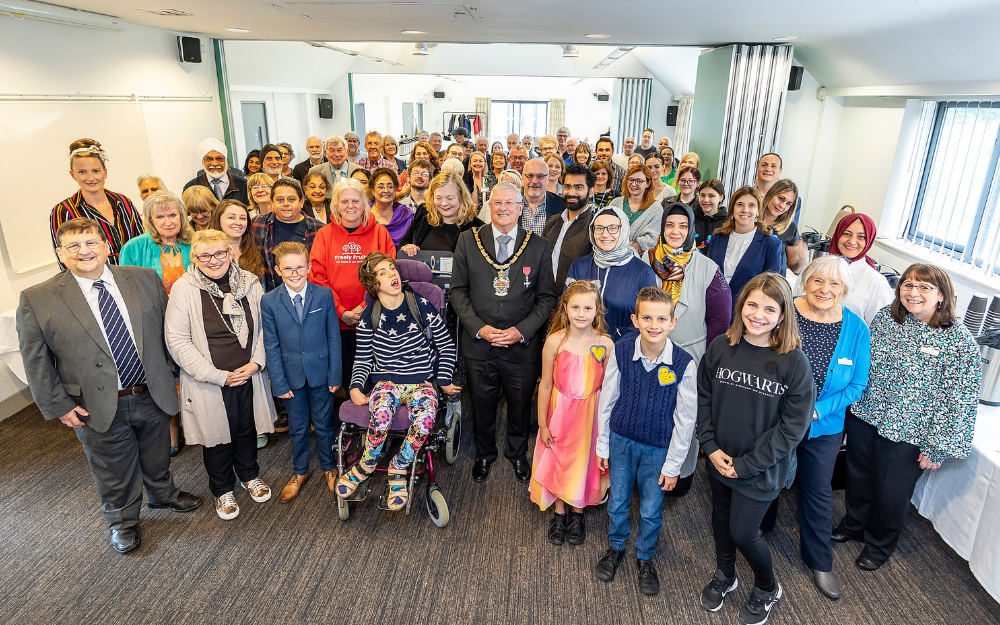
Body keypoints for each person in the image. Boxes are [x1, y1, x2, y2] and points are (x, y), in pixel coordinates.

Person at [18, 218, 202, 553]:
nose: (84, 251)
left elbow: (167, 332)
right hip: (94, 402)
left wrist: (177, 375)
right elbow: (36, 360)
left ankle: (163, 494)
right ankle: (123, 520)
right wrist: (58, 405)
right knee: (112, 467)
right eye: (73, 246)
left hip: (151, 390)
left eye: (90, 243)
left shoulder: (144, 279)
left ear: (106, 247)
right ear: (61, 253)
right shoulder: (38, 298)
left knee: (157, 452)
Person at [833, 264, 981, 571]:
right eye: (908, 285)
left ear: (942, 296)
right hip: (866, 414)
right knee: (858, 476)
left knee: (891, 491)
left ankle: (879, 543)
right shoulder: (887, 319)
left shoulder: (958, 341)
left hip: (910, 431)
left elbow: (959, 400)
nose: (913, 293)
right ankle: (854, 524)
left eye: (924, 288)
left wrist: (939, 446)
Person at [696, 272, 814, 623]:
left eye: (769, 308)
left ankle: (767, 587)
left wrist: (747, 465)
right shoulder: (721, 347)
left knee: (744, 532)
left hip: (760, 469)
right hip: (720, 458)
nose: (758, 314)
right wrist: (709, 445)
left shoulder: (794, 362)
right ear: (740, 305)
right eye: (752, 305)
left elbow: (793, 428)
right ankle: (725, 575)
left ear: (782, 316)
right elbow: (702, 399)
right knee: (720, 519)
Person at [451, 181, 558, 484]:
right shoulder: (468, 241)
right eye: (497, 203)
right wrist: (480, 328)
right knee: (482, 405)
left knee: (521, 404)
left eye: (510, 203)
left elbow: (547, 297)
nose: (503, 209)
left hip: (521, 347)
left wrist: (520, 331)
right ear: (489, 206)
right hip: (479, 345)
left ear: (521, 208)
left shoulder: (537, 245)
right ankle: (484, 454)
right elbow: (458, 292)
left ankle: (517, 453)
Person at [165, 229, 276, 520]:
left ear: (231, 253)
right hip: (209, 380)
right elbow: (177, 341)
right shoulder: (184, 288)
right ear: (195, 258)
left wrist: (256, 364)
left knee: (247, 429)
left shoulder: (250, 283)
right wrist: (217, 376)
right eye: (205, 255)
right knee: (217, 437)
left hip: (249, 374)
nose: (214, 260)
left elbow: (266, 328)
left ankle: (250, 475)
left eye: (220, 253)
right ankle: (222, 489)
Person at [594, 286, 698, 597]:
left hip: (658, 449)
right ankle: (616, 546)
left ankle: (645, 556)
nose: (654, 325)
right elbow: (607, 399)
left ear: (673, 322)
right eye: (647, 317)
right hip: (621, 440)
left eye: (662, 319)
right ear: (635, 319)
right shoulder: (623, 351)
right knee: (618, 500)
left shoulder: (683, 364)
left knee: (652, 508)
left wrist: (674, 464)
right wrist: (603, 446)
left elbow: (685, 419)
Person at [336, 252, 458, 509]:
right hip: (387, 382)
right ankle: (367, 463)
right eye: (383, 272)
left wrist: (444, 377)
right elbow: (362, 359)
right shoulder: (369, 317)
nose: (392, 274)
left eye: (392, 268)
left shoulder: (420, 305)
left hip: (421, 382)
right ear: (373, 284)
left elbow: (446, 345)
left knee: (425, 420)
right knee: (380, 416)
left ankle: (398, 466)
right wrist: (356, 387)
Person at [784, 256, 871, 600]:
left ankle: (820, 561)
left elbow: (856, 385)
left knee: (818, 491)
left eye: (834, 284)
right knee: (767, 477)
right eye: (818, 280)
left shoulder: (856, 328)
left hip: (825, 424)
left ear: (845, 290)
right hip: (777, 418)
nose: (825, 289)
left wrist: (817, 411)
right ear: (806, 281)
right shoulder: (785, 311)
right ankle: (757, 532)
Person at [646, 202, 732, 496]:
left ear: (691, 230)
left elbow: (720, 322)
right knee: (650, 412)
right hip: (650, 352)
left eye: (683, 226)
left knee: (684, 416)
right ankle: (648, 470)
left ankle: (680, 474)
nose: (675, 231)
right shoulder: (646, 261)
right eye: (670, 225)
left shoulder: (708, 269)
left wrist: (709, 366)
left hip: (691, 357)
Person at [532, 281, 614, 545]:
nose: (581, 313)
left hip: (590, 414)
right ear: (565, 308)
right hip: (560, 412)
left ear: (597, 310)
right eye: (575, 307)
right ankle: (559, 513)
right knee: (559, 459)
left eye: (587, 308)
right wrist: (543, 424)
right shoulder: (555, 341)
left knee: (584, 461)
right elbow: (545, 384)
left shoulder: (606, 344)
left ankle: (577, 512)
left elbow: (611, 389)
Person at [261, 242, 342, 503]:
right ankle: (299, 471)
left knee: (324, 424)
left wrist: (335, 375)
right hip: (290, 377)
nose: (294, 274)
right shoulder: (269, 301)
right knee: (296, 428)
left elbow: (333, 337)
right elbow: (271, 345)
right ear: (277, 270)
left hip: (321, 373)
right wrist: (278, 383)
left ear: (308, 267)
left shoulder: (324, 295)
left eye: (299, 267)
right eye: (288, 269)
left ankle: (329, 467)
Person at [308, 179, 396, 407]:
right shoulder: (324, 235)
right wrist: (341, 311)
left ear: (364, 203)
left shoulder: (380, 233)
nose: (350, 206)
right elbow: (318, 277)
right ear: (335, 205)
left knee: (375, 369)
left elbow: (388, 274)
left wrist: (363, 307)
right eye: (344, 201)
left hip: (374, 317)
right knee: (347, 371)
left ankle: (377, 417)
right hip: (337, 322)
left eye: (355, 200)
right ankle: (354, 420)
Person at [51, 139, 144, 267]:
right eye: (82, 172)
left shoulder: (123, 202)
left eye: (96, 171)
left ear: (105, 172)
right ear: (73, 175)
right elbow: (65, 259)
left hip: (133, 276)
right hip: (94, 281)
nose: (90, 178)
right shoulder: (64, 210)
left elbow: (142, 244)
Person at [568, 207, 657, 339]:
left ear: (624, 230)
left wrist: (616, 350)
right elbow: (567, 309)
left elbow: (646, 319)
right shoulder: (579, 266)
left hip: (623, 351)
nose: (605, 234)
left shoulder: (643, 273)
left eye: (613, 228)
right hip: (580, 347)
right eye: (599, 228)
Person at [706, 186, 782, 313]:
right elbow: (707, 275)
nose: (745, 210)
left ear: (758, 210)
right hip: (713, 309)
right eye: (739, 204)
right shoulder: (717, 237)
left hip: (747, 313)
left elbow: (771, 289)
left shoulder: (771, 244)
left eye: (752, 205)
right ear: (732, 209)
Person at [251, 178, 325, 292]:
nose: (286, 204)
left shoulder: (319, 229)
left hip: (310, 296)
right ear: (272, 203)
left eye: (291, 199)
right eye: (280, 200)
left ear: (301, 202)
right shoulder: (257, 224)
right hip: (270, 297)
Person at [821, 212, 894, 324]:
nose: (852, 241)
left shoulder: (876, 282)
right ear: (838, 234)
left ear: (869, 240)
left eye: (861, 237)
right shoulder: (817, 268)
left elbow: (882, 328)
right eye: (846, 234)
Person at [120, 191, 193, 296]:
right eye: (159, 217)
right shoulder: (133, 248)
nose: (168, 223)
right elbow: (126, 289)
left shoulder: (196, 242)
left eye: (173, 215)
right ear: (151, 220)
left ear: (182, 216)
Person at [543, 163, 596, 288]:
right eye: (567, 187)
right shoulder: (553, 221)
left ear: (591, 191)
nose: (571, 192)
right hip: (546, 298)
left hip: (575, 301)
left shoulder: (595, 226)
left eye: (578, 187)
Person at [609, 164, 662, 256]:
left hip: (640, 259)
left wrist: (633, 246)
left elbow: (653, 238)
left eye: (639, 181)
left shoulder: (656, 208)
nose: (633, 184)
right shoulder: (615, 203)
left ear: (648, 183)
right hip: (612, 254)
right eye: (631, 179)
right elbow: (607, 228)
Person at [760, 180, 807, 274]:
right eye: (780, 198)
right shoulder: (750, 217)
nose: (782, 205)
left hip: (773, 283)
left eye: (788, 203)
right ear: (770, 194)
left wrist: (802, 261)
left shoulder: (789, 228)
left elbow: (794, 268)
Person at [183, 139, 249, 206]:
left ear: (225, 161)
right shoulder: (191, 188)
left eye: (219, 159)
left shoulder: (243, 185)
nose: (214, 163)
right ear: (202, 162)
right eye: (209, 159)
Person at [367, 168, 414, 247]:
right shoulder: (362, 214)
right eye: (380, 187)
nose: (386, 190)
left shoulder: (406, 215)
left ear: (395, 190)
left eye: (390, 186)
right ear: (372, 190)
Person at [522, 158, 566, 236]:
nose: (534, 181)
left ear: (548, 178)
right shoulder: (511, 203)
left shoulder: (562, 206)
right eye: (530, 176)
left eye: (540, 176)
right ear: (522, 178)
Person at [693, 179, 728, 252]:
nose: (706, 200)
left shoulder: (727, 223)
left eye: (711, 196)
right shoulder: (690, 217)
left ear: (721, 197)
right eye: (702, 195)